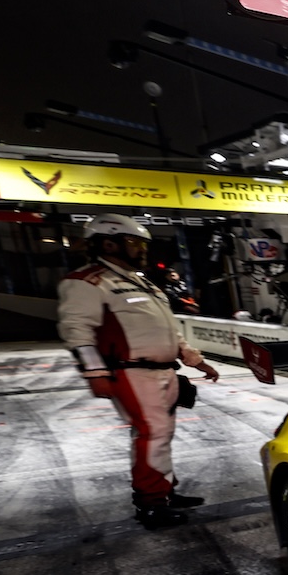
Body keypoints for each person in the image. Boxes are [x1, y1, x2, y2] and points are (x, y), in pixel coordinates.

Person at [57, 214, 221, 530]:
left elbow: (171, 331)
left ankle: (164, 491)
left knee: (161, 434)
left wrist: (196, 360)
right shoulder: (87, 281)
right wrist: (95, 373)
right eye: (134, 242)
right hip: (132, 373)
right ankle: (151, 503)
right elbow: (77, 331)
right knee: (153, 433)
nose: (142, 249)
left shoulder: (142, 282)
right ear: (108, 243)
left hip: (163, 372)